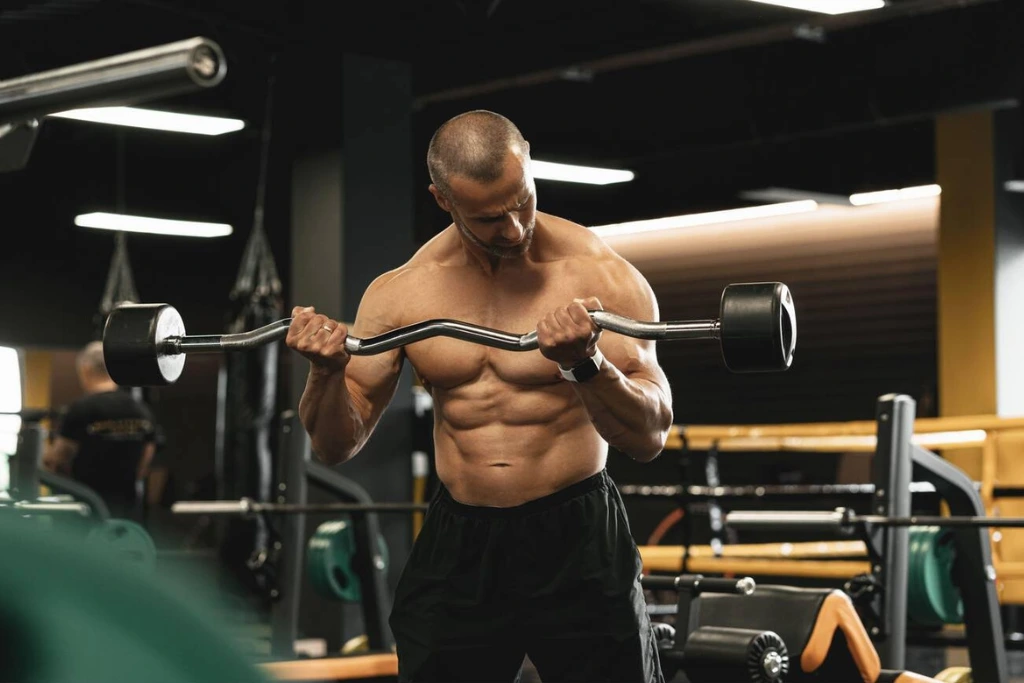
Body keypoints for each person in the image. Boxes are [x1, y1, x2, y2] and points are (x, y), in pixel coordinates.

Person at [287, 110, 673, 682]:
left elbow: (650, 436)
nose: (514, 228)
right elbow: (334, 448)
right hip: (460, 536)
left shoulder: (601, 277)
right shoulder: (403, 293)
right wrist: (325, 373)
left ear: (530, 167)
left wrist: (585, 364)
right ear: (442, 200)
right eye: (489, 218)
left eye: (522, 200)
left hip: (577, 532)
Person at [43, 340, 157, 520]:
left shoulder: (81, 409)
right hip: (126, 510)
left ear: (85, 370)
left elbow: (56, 459)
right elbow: (147, 457)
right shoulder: (140, 409)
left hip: (85, 509)